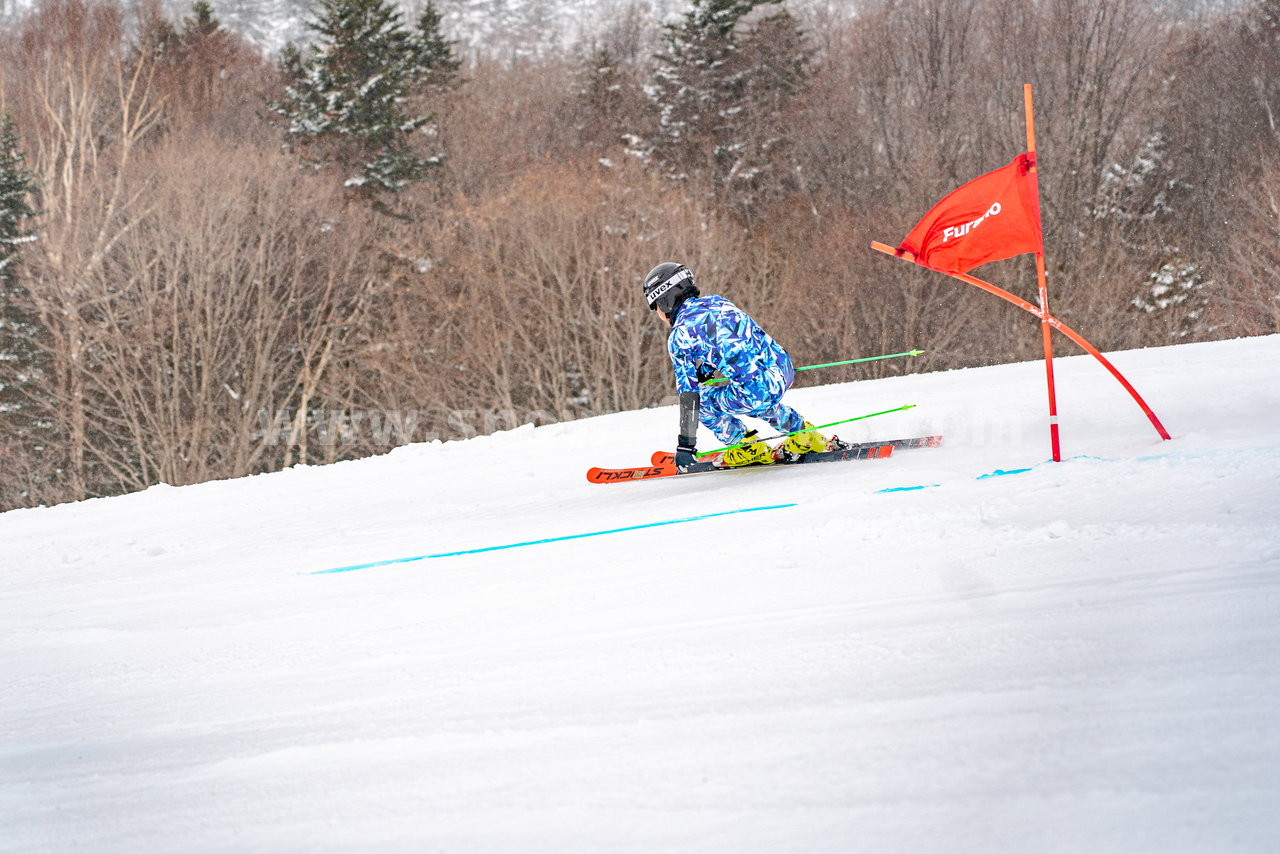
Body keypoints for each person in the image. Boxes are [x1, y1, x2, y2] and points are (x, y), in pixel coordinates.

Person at [643, 261, 828, 471]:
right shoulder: (717, 302)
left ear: (665, 300)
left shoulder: (680, 335)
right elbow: (735, 344)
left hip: (757, 391)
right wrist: (704, 370)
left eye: (655, 306)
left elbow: (689, 395)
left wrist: (686, 445)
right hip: (784, 369)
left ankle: (748, 447)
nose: (657, 313)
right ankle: (803, 434)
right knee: (755, 391)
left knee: (707, 401)